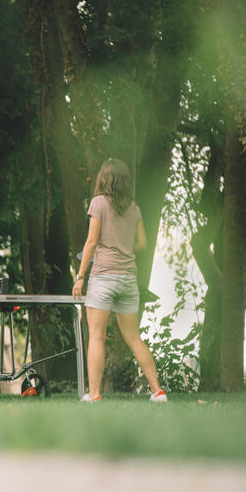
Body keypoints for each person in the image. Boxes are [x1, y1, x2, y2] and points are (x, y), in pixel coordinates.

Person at [71, 158, 167, 403]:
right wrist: (122, 244)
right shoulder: (134, 208)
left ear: (104, 179)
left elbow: (91, 242)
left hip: (103, 277)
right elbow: (142, 243)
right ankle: (158, 391)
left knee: (96, 336)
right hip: (128, 279)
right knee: (133, 337)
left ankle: (94, 395)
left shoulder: (98, 203)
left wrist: (80, 277)